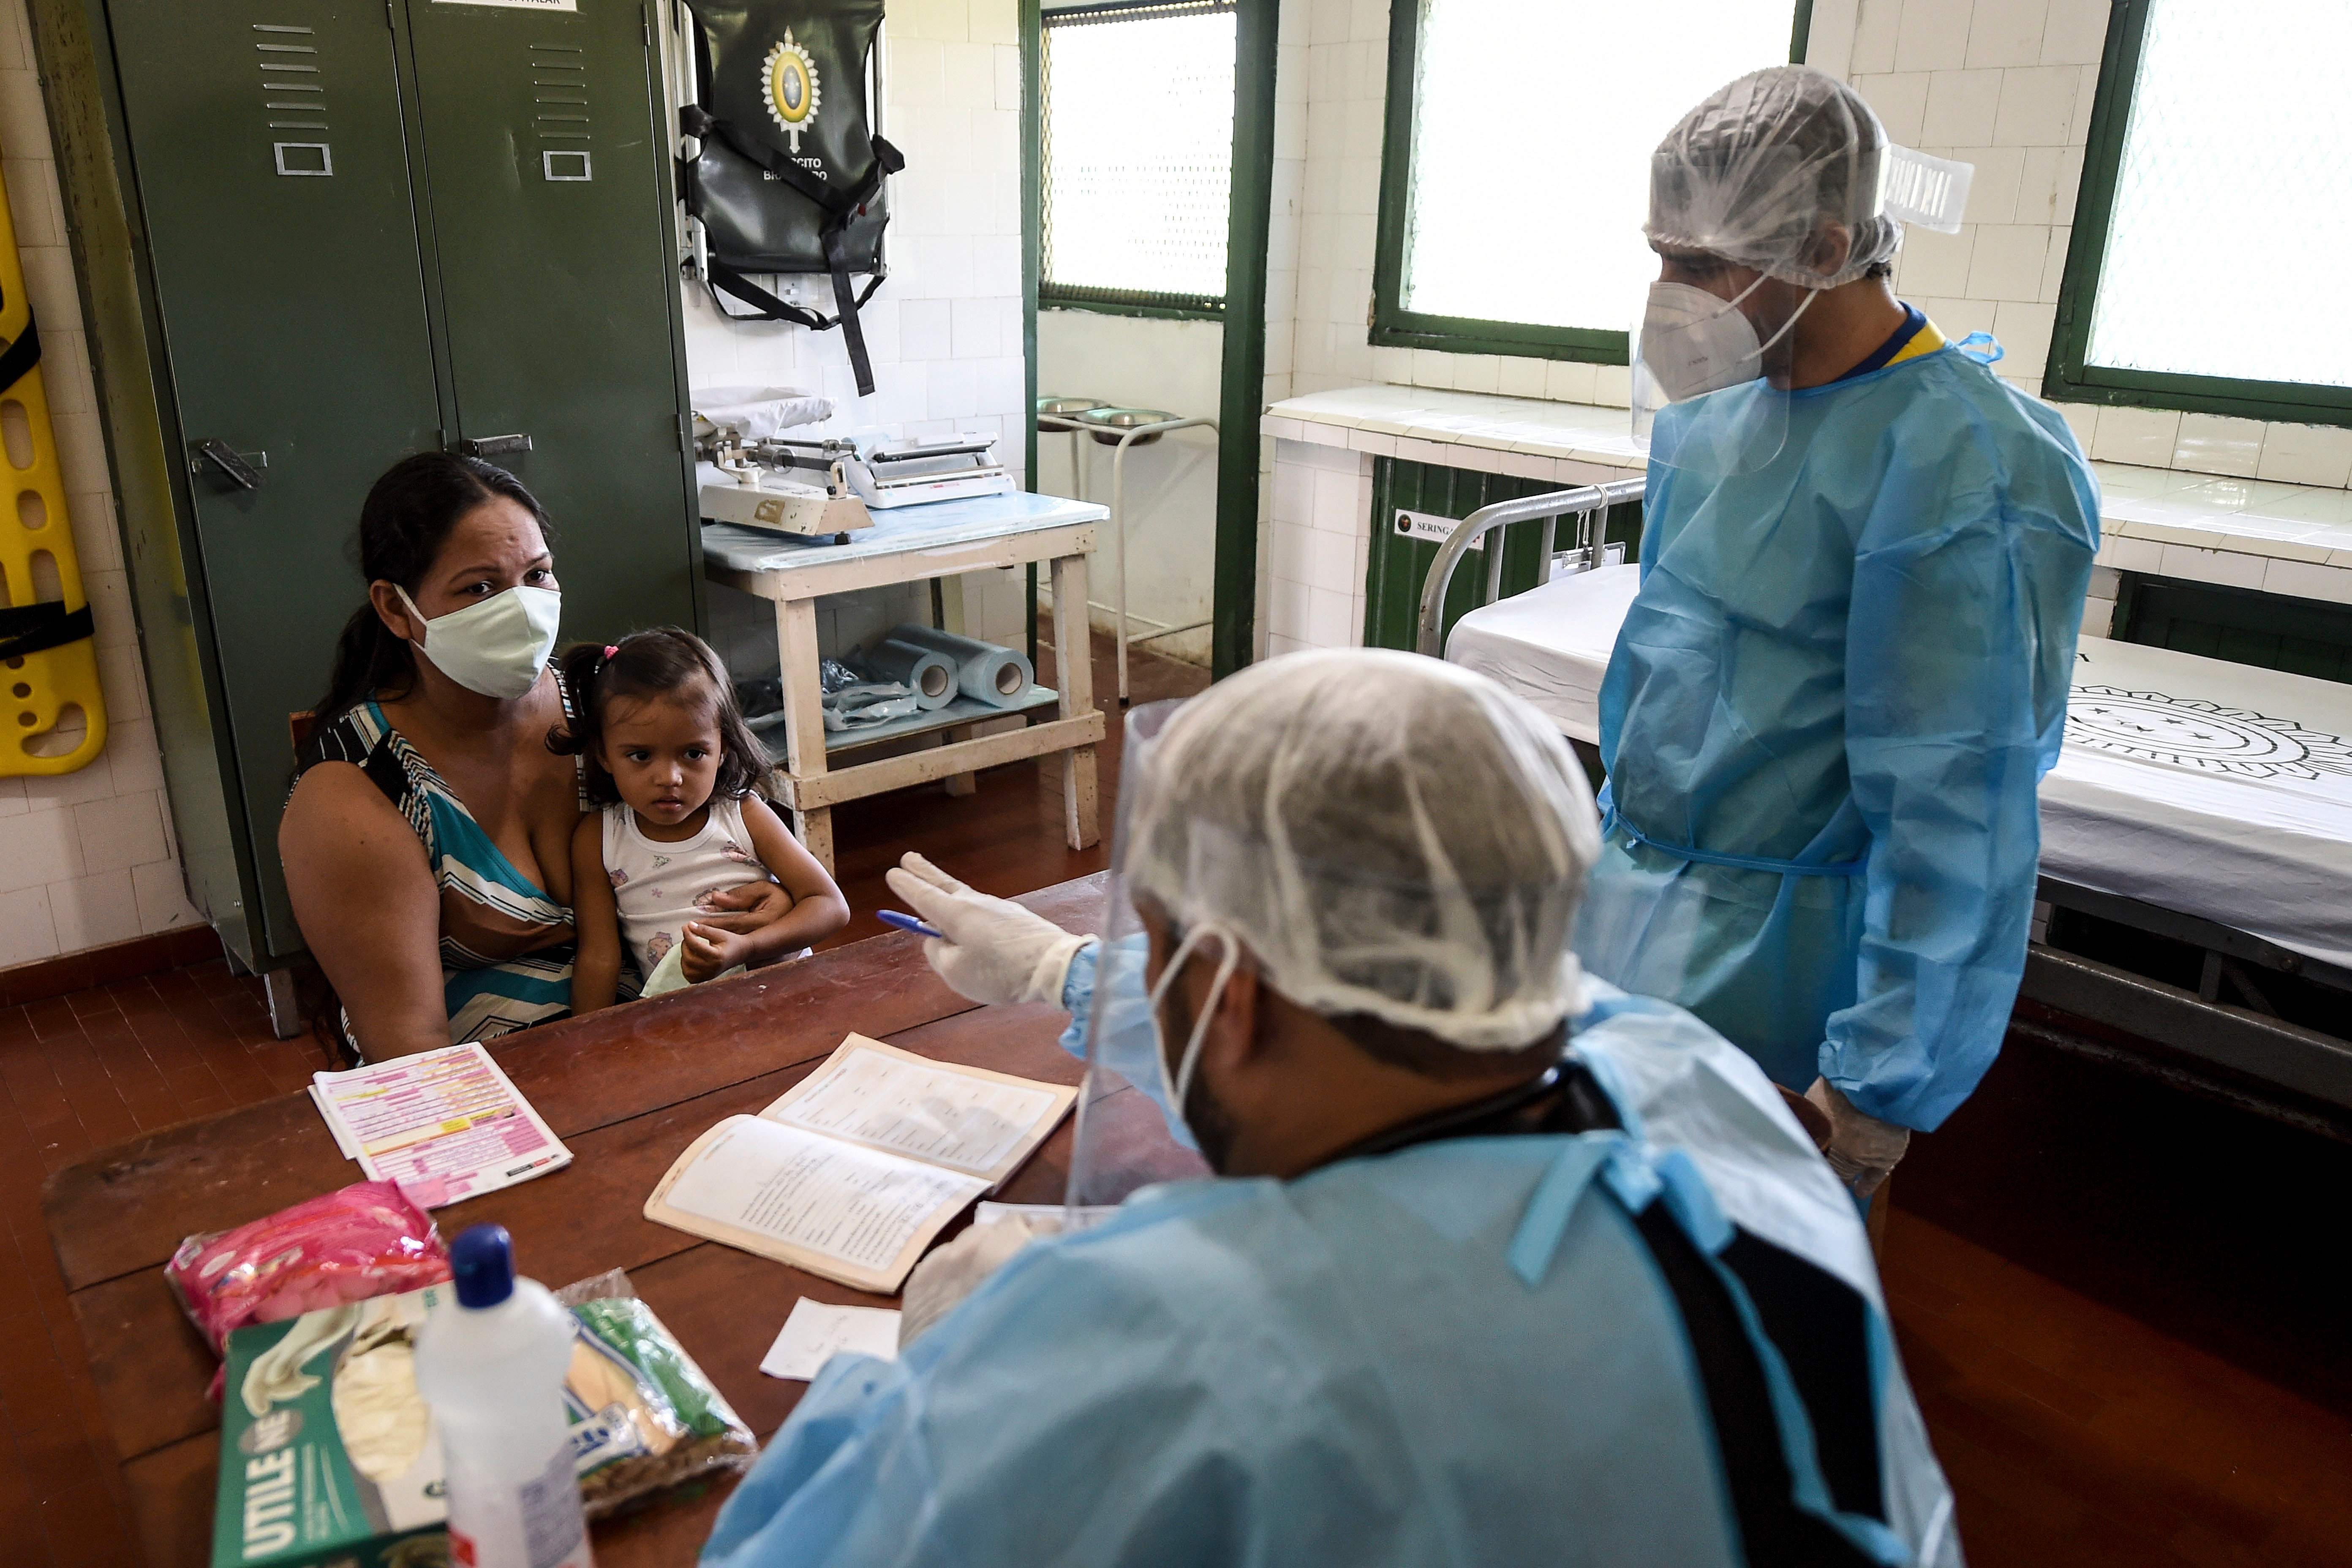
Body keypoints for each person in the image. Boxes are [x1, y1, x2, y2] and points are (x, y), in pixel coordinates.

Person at [704, 650, 1961, 1568]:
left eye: (1160, 945)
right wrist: (1058, 970)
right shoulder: (1700, 1080)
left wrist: (928, 1370)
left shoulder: (1164, 1356)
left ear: (1227, 990)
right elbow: (1366, 995)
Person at [1584, 66, 2101, 1199]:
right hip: (1627, 928)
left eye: (1702, 264)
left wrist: (1876, 1084)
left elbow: (1958, 814)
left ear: (1824, 249)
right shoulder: (1713, 420)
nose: (1670, 295)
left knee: (1744, 1318)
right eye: (1660, 255)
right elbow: (1670, 686)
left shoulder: (1972, 467)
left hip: (1789, 980)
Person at [280, 454, 789, 1058]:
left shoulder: (604, 713)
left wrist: (766, 900)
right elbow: (413, 1056)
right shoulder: (356, 796)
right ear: (396, 608)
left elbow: (723, 832)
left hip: (682, 1035)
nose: (520, 608)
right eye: (480, 587)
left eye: (537, 575)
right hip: (501, 1090)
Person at [557, 628, 846, 1009]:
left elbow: (829, 905)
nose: (669, 778)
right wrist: (586, 1047)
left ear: (723, 748)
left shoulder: (744, 814)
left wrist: (746, 947)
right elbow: (598, 957)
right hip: (681, 1019)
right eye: (641, 756)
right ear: (604, 755)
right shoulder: (599, 838)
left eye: (693, 753)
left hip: (784, 997)